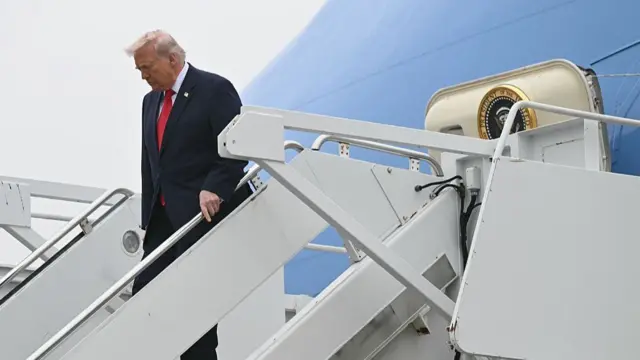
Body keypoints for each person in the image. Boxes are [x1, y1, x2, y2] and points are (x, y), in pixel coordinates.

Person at [125, 30, 252, 360]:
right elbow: (150, 163)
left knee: (196, 304)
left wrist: (215, 187)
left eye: (147, 67)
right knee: (144, 296)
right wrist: (146, 219)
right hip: (164, 220)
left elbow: (238, 148)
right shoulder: (150, 102)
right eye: (139, 70)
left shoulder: (214, 89)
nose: (143, 76)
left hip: (202, 217)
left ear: (172, 59)